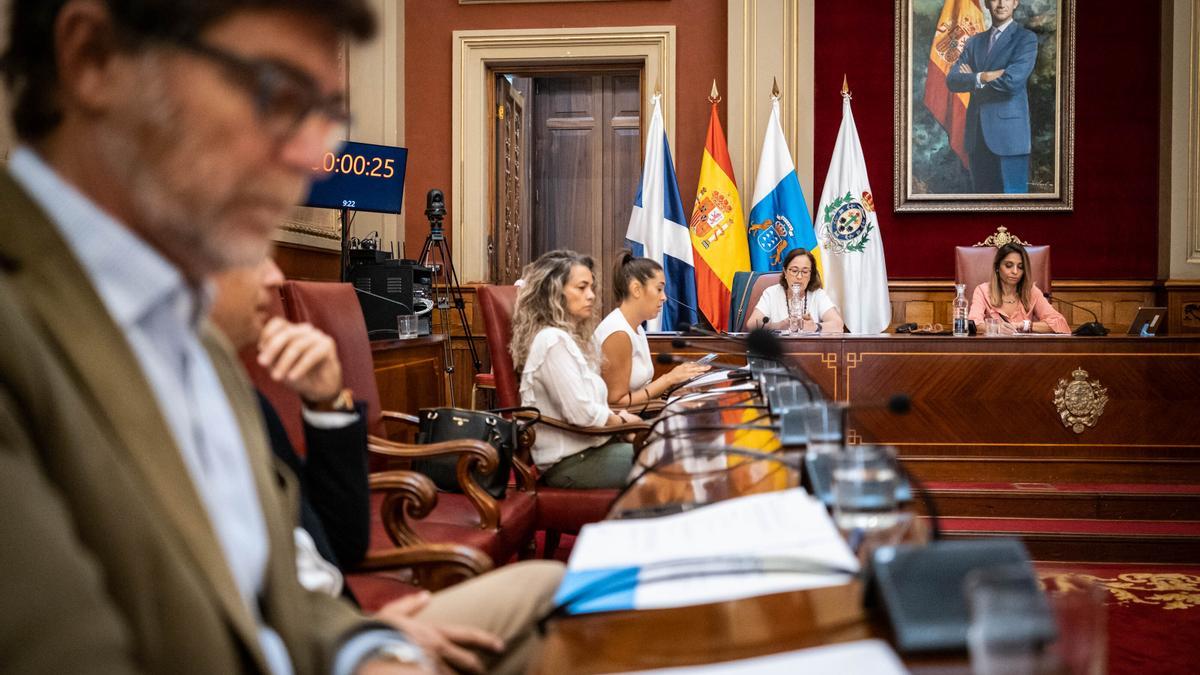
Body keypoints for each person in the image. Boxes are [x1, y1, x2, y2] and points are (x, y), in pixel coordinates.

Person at [0, 0, 436, 672]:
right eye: (274, 91)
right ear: (94, 60)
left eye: (323, 113)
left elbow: (281, 588)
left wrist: (364, 650)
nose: (311, 155)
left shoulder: (196, 339)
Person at [210, 257, 566, 674]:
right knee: (551, 616)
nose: (273, 275)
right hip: (310, 647)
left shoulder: (235, 392)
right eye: (251, 252)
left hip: (339, 621)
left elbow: (342, 543)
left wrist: (328, 403)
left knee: (552, 588)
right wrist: (361, 643)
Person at [511, 250, 643, 489]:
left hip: (595, 448)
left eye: (591, 287)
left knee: (672, 457)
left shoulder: (575, 339)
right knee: (671, 465)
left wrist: (622, 425)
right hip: (571, 463)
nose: (591, 296)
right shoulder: (552, 341)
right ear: (555, 292)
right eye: (581, 288)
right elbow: (580, 413)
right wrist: (622, 422)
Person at [945, 0, 1038, 194]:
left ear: (1015, 3)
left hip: (1010, 139)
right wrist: (984, 76)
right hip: (977, 137)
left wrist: (972, 80)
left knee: (1013, 208)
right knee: (982, 207)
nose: (1001, 3)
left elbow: (1011, 82)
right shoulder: (974, 42)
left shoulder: (1025, 39)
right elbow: (952, 80)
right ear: (987, 3)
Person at [595, 252, 709, 408]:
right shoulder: (619, 333)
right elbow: (616, 404)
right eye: (659, 289)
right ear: (636, 289)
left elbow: (640, 390)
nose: (664, 297)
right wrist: (668, 379)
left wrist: (673, 390)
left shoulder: (636, 328)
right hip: (622, 427)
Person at [967, 242, 1068, 334]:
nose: (1015, 271)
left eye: (1020, 267)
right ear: (997, 267)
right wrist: (996, 328)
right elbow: (973, 324)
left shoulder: (1032, 292)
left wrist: (1025, 325)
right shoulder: (982, 291)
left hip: (1025, 350)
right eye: (1009, 265)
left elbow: (1060, 323)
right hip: (993, 350)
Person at [745, 248, 845, 333]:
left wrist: (815, 327)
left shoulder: (818, 294)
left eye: (805, 272)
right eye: (794, 271)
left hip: (809, 352)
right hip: (776, 352)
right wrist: (780, 325)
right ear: (785, 272)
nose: (799, 276)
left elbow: (838, 325)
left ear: (811, 275)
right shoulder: (771, 293)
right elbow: (752, 325)